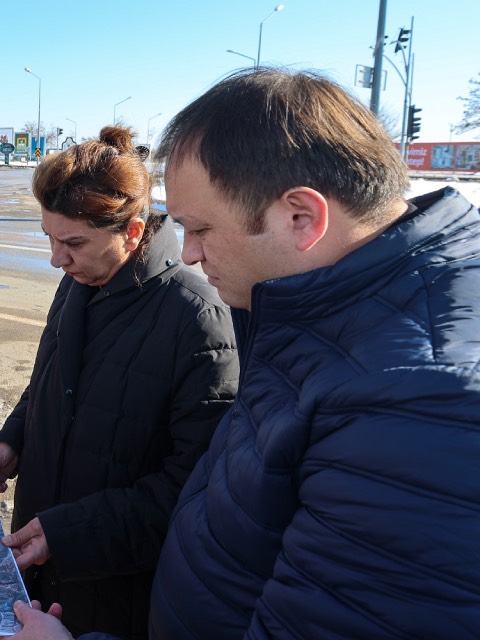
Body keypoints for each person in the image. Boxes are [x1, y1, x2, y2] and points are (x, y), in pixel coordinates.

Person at [149, 69, 480, 637]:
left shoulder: (418, 405)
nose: (188, 255)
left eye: (199, 228)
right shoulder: (315, 304)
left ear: (301, 217)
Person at [0, 126, 239, 639]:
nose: (56, 258)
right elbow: (48, 384)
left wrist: (69, 535)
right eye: (49, 238)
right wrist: (13, 441)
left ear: (133, 232)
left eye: (73, 242)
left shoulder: (200, 320)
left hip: (117, 590)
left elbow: (194, 488)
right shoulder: (77, 282)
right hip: (40, 556)